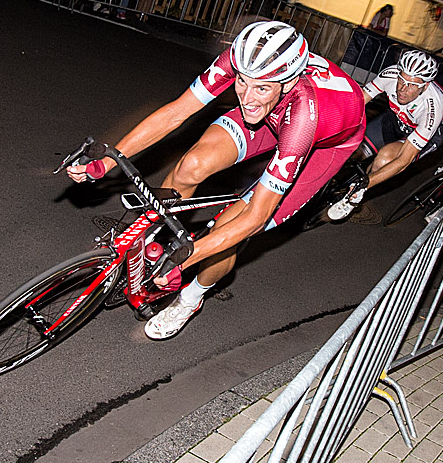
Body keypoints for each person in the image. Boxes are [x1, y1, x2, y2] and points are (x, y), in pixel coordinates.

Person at [65, 21, 367, 340]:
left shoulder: (306, 113)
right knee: (191, 165)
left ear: (288, 80)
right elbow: (176, 113)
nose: (246, 96)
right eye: (241, 82)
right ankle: (152, 235)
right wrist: (109, 156)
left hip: (324, 143)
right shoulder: (243, 63)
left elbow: (255, 217)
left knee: (231, 231)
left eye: (261, 87)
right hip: (272, 115)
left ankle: (190, 300)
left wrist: (184, 261)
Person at [326, 49, 443, 221]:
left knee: (383, 160)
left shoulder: (433, 106)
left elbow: (403, 160)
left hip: (422, 134)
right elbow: (358, 102)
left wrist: (367, 182)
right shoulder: (390, 74)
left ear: (426, 85)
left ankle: (356, 195)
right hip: (395, 118)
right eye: (401, 79)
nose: (402, 89)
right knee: (353, 150)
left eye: (412, 85)